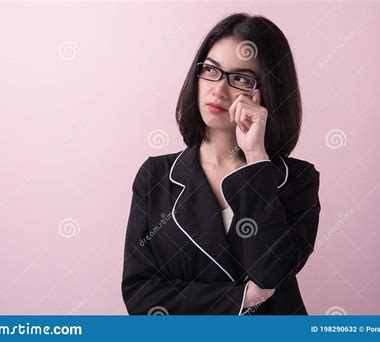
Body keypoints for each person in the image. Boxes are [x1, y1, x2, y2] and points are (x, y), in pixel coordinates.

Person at [121, 13, 321, 315]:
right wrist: (241, 298)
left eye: (240, 78)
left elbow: (271, 271)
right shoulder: (155, 176)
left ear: (269, 90)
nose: (218, 90)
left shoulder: (297, 179)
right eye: (211, 70)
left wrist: (255, 158)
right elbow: (141, 295)